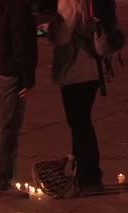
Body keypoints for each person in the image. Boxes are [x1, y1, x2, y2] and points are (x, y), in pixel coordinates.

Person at [43, 0, 103, 193]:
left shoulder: (68, 3)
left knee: (79, 124)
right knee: (82, 122)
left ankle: (88, 175)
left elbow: (62, 37)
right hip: (93, 69)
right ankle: (87, 174)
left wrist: (48, 29)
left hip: (76, 71)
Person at [0, 0, 38, 198]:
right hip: (12, 72)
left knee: (9, 128)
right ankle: (1, 182)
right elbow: (21, 42)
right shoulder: (19, 5)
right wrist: (27, 79)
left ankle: (8, 178)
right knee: (9, 128)